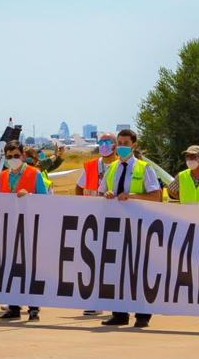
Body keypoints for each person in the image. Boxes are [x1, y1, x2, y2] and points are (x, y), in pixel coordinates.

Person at [98, 129, 161, 328]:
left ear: (133, 145)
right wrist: (107, 194)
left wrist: (132, 196)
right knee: (116, 271)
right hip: (116, 225)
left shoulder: (144, 168)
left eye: (126, 142)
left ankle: (142, 314)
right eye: (120, 142)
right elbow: (100, 193)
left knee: (138, 270)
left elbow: (156, 196)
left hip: (139, 226)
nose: (122, 146)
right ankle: (119, 313)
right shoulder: (112, 168)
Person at [0, 140, 48, 321]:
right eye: (9, 157)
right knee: (10, 268)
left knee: (30, 268)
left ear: (23, 156)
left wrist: (30, 196)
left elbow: (46, 199)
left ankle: (33, 307)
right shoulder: (3, 176)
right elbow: (0, 191)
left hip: (29, 225)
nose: (13, 159)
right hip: (8, 225)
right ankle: (14, 306)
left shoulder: (35, 174)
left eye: (16, 156)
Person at [75, 132, 118, 316]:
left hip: (116, 217)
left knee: (113, 261)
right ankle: (94, 300)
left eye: (107, 141)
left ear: (115, 145)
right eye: (101, 142)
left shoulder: (120, 166)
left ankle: (115, 300)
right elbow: (79, 187)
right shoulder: (92, 166)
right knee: (93, 260)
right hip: (93, 217)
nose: (103, 145)